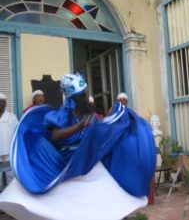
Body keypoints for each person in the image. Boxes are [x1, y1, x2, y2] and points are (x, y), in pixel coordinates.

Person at [0, 73, 156, 220]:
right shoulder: (63, 114)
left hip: (89, 159)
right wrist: (78, 126)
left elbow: (96, 132)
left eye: (87, 93)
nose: (88, 97)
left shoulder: (89, 113)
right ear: (75, 98)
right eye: (84, 94)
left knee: (104, 198)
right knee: (69, 207)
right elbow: (54, 136)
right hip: (69, 163)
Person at [0, 93, 18, 162]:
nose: (1, 104)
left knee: (9, 169)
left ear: (5, 104)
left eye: (3, 102)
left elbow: (17, 131)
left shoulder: (12, 116)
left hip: (9, 148)